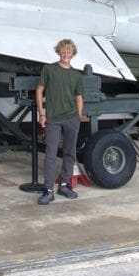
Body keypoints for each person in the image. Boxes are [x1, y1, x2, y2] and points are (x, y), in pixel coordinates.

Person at [34, 38, 85, 205]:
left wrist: (78, 116)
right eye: (63, 52)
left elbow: (79, 97)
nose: (66, 55)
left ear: (73, 54)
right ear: (58, 52)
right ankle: (48, 190)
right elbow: (39, 90)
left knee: (70, 153)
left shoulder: (76, 75)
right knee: (50, 154)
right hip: (54, 119)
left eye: (69, 52)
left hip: (71, 118)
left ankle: (64, 185)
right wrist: (42, 114)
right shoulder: (49, 69)